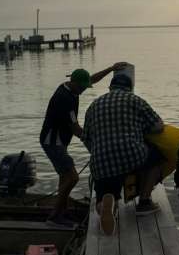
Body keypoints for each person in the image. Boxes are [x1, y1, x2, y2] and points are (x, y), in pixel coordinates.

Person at [40, 62, 127, 226]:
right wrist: (96, 142)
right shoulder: (64, 98)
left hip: (59, 140)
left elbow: (91, 79)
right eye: (82, 87)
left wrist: (110, 69)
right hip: (52, 142)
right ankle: (54, 217)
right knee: (72, 177)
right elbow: (75, 128)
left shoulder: (71, 87)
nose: (84, 90)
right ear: (74, 83)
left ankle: (62, 212)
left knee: (64, 176)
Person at [82, 74, 164, 235]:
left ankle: (104, 204)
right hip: (131, 155)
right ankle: (144, 203)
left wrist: (100, 153)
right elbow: (158, 126)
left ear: (110, 88)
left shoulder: (93, 105)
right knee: (157, 158)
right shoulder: (135, 100)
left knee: (105, 191)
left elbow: (86, 138)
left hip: (101, 162)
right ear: (130, 88)